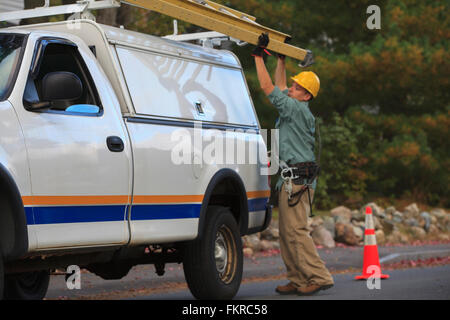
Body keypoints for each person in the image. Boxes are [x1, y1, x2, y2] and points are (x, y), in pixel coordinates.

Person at [252, 33, 334, 296]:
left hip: (297, 180)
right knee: (288, 235)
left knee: (296, 232)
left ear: (306, 96)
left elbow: (269, 89)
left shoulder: (296, 109)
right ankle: (299, 280)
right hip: (292, 180)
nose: (292, 89)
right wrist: (280, 61)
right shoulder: (295, 106)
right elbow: (280, 86)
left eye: (298, 88)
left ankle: (318, 276)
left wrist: (257, 57)